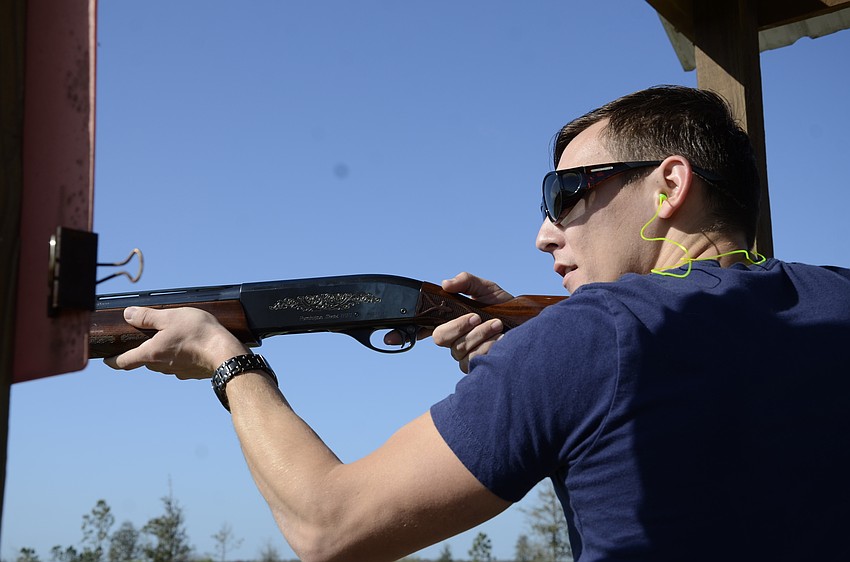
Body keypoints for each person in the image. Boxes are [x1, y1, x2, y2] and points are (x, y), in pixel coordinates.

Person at [107, 85, 850, 562]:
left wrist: (228, 361)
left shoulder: (591, 336)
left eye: (565, 193)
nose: (544, 234)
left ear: (669, 184)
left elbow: (328, 525)